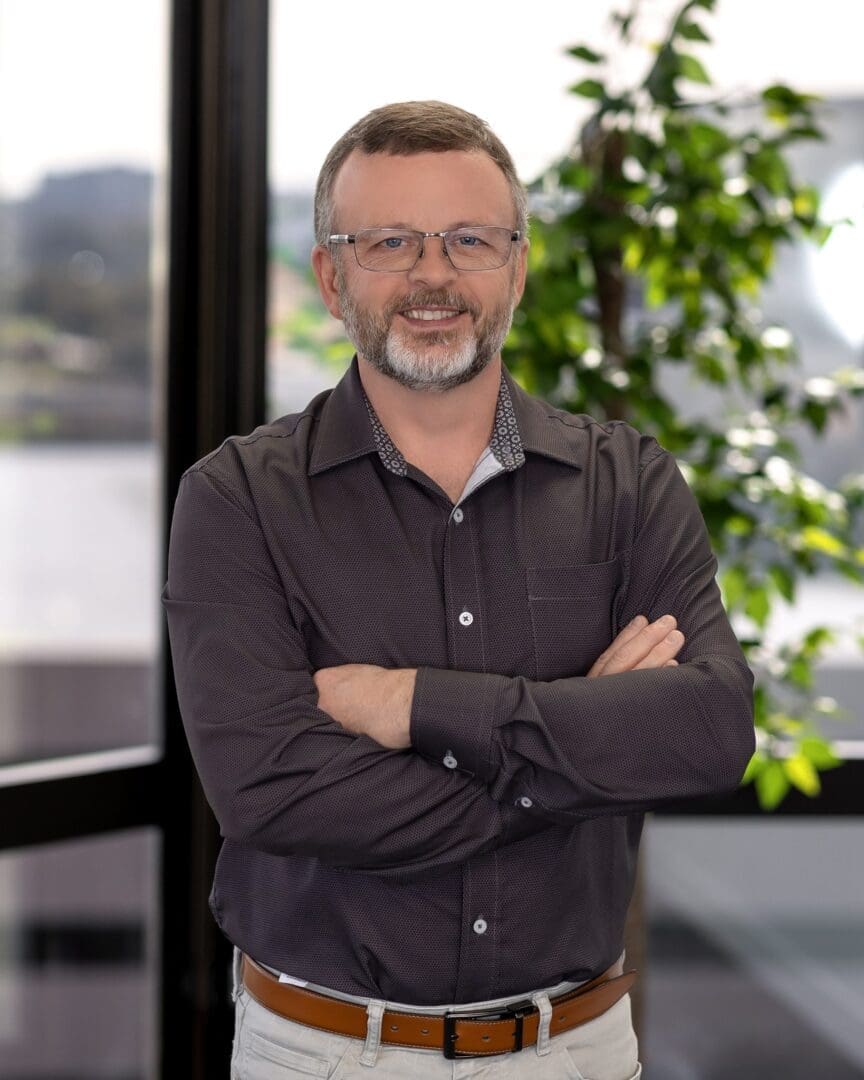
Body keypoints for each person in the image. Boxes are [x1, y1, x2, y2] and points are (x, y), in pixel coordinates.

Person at [162, 100, 755, 1079]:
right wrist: (581, 751)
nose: (433, 275)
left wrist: (414, 706)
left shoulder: (631, 485)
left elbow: (709, 731)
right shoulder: (237, 500)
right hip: (322, 1055)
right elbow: (270, 790)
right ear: (331, 275)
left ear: (516, 269)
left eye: (469, 239)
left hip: (576, 1052)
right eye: (390, 241)